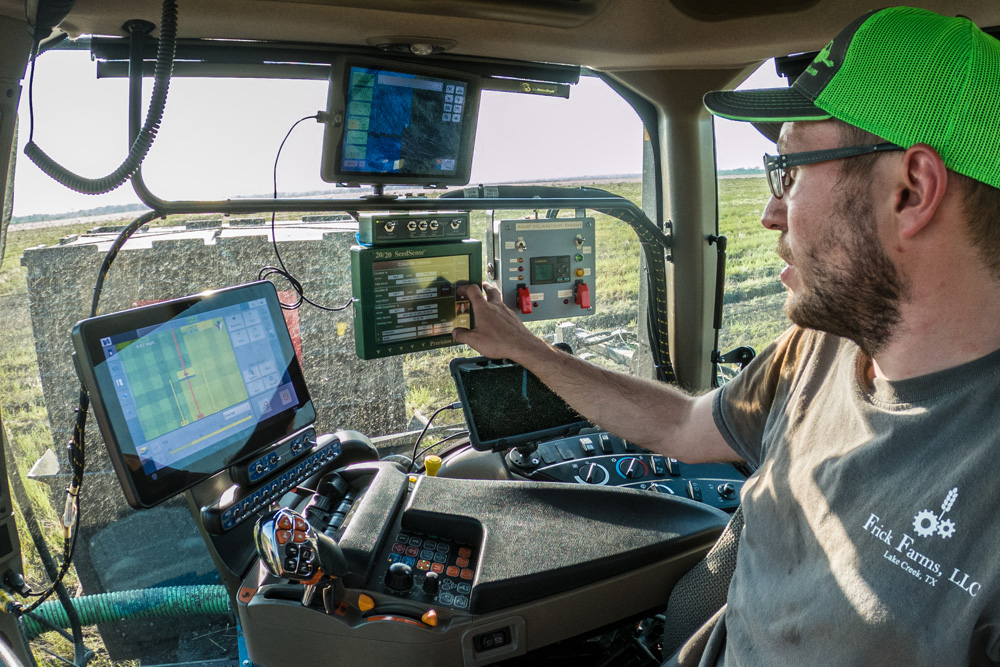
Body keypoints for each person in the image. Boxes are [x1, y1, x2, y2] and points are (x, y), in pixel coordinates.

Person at [453, 6, 1000, 666]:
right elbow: (684, 425)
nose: (772, 212)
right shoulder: (822, 349)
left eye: (790, 171)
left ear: (910, 192)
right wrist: (521, 346)